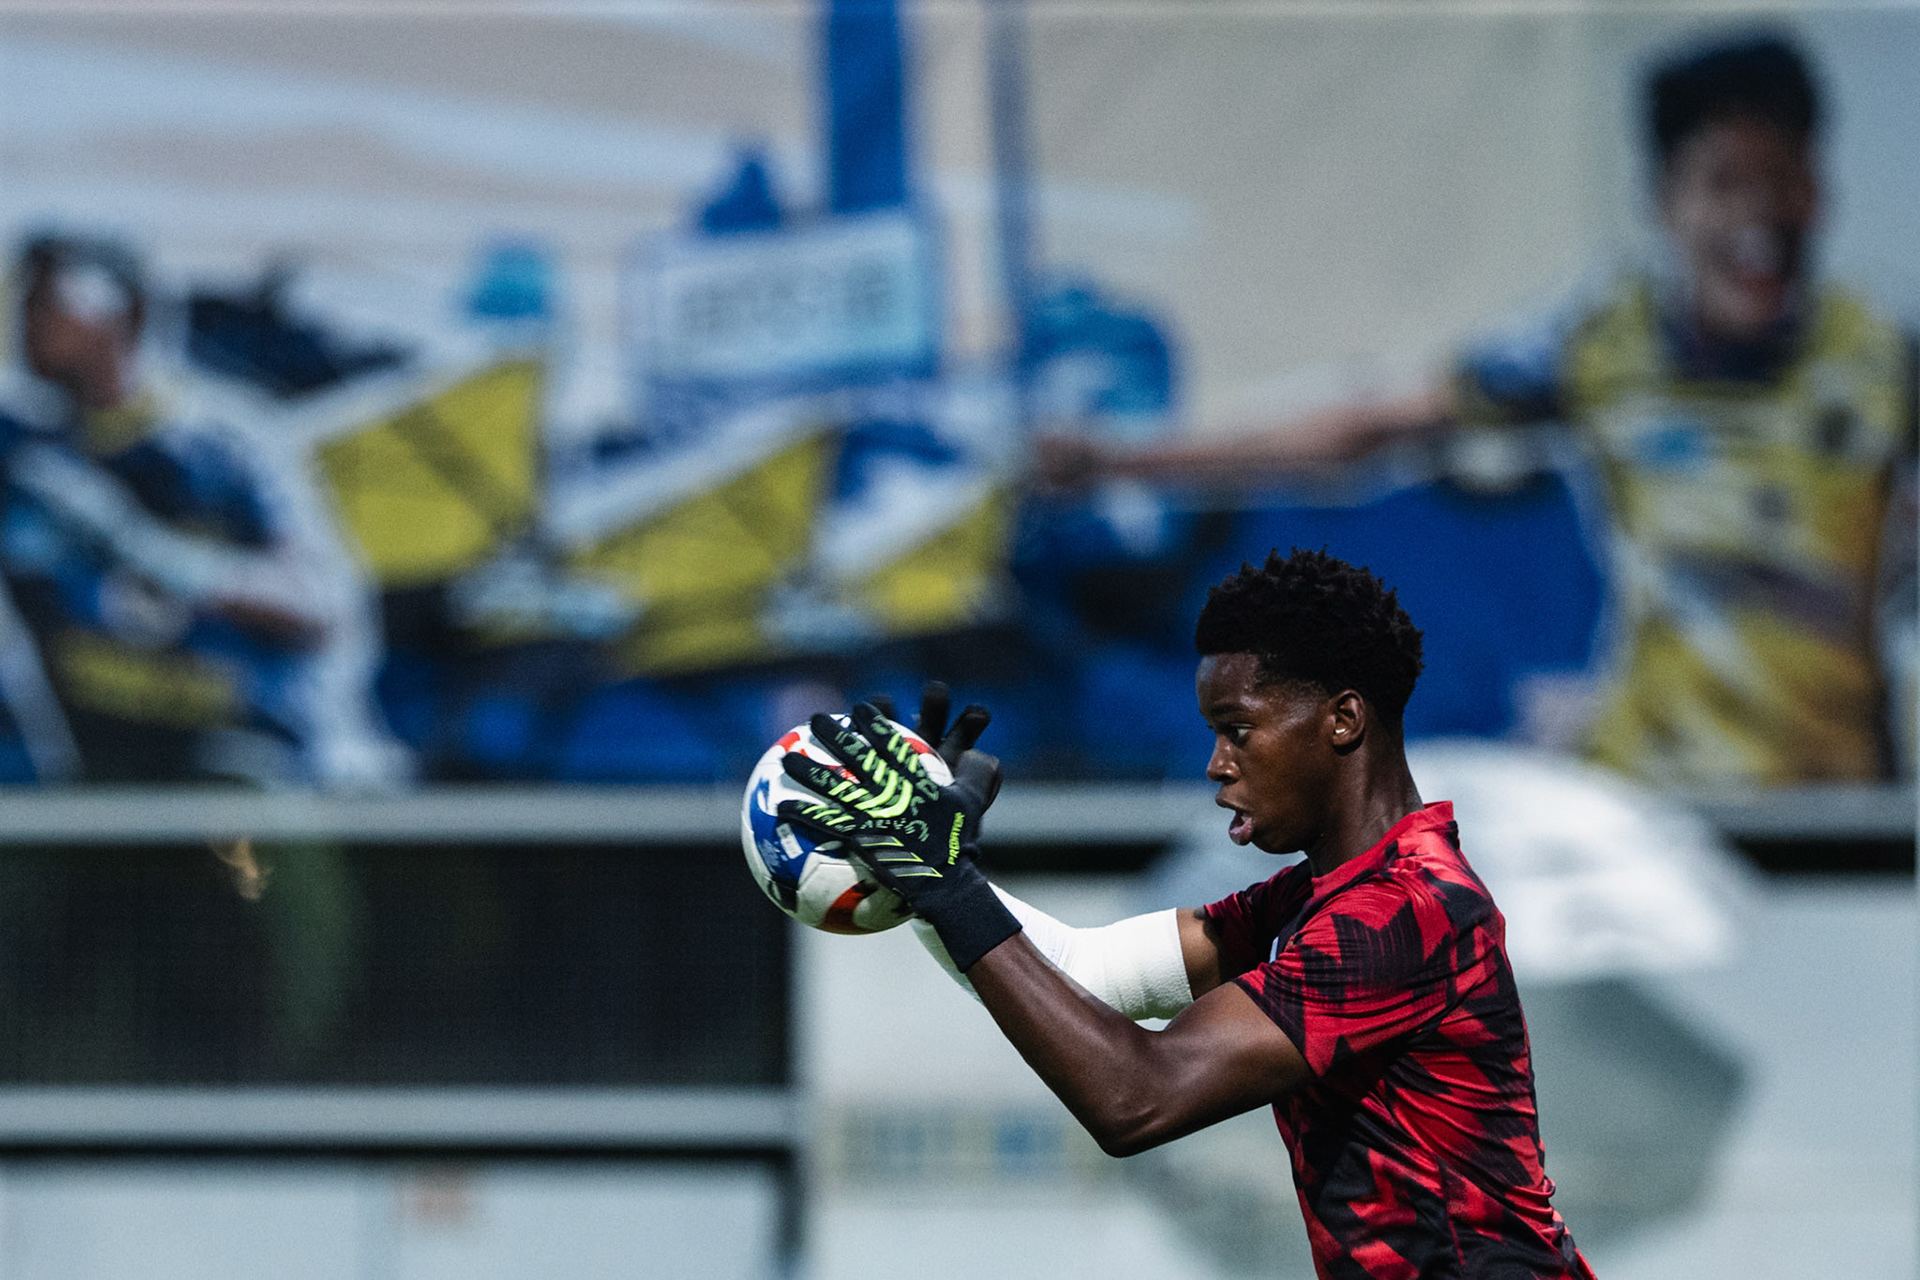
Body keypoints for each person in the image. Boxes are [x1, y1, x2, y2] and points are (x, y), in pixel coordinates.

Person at [1043, 33, 1916, 790]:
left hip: (1838, 812)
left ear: (1819, 192)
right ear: (1663, 203)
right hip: (1656, 801)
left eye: (1783, 178)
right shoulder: (1602, 346)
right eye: (1726, 182)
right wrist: (1117, 460)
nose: (1760, 212)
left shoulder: (1883, 363)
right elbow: (1365, 428)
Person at [781, 549, 1594, 1279]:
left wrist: (946, 886)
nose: (1216, 764)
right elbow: (1088, 977)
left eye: (1238, 730)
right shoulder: (1317, 898)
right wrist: (933, 882)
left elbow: (1138, 1098)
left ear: (1343, 721)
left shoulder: (1402, 912)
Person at [0, 233, 403, 784]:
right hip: (97, 773)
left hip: (240, 761)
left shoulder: (221, 450)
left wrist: (141, 548)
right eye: (23, 297)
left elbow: (316, 604)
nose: (26, 318)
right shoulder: (22, 454)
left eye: (48, 299)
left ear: (126, 313)